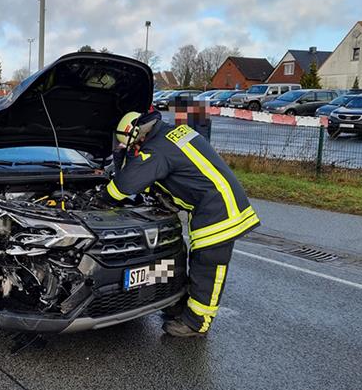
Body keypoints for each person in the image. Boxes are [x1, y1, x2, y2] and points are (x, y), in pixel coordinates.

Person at [98, 110, 259, 337]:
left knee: (208, 265)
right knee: (197, 261)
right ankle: (178, 304)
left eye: (134, 144)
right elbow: (169, 175)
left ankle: (197, 323)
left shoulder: (156, 149)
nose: (136, 147)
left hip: (218, 210)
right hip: (217, 201)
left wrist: (103, 198)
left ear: (137, 133)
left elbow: (123, 186)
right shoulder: (170, 133)